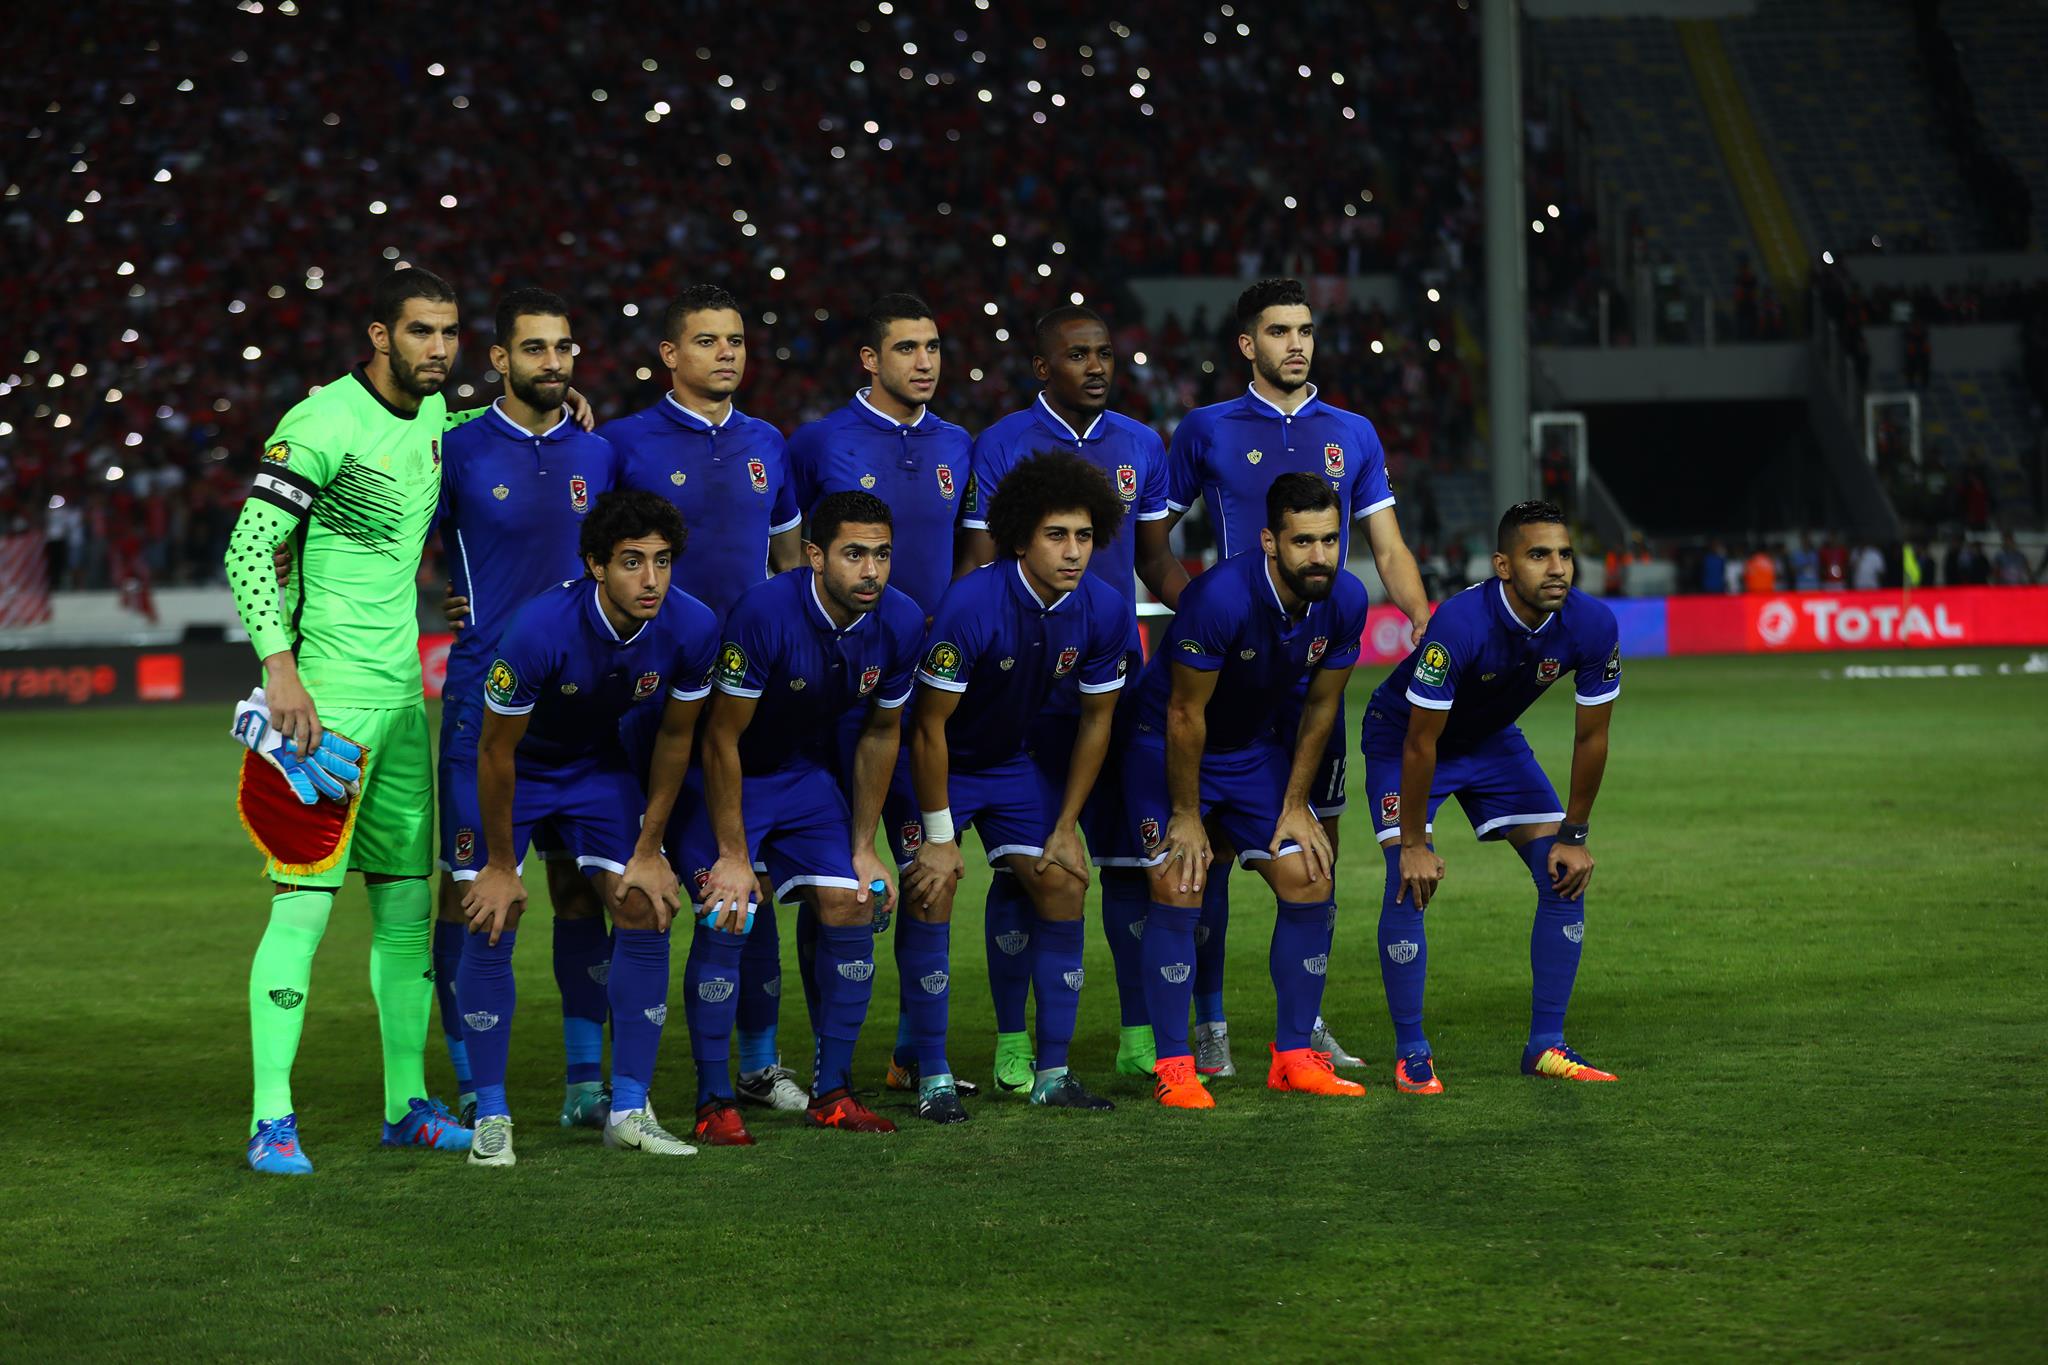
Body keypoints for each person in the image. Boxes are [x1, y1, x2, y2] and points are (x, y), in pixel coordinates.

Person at [226, 266, 475, 1173]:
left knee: (406, 913)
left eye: (449, 331)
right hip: (322, 708)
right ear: (379, 335)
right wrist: (280, 672)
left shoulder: (436, 414)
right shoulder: (322, 421)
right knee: (302, 911)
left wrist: (557, 415)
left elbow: (466, 440)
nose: (438, 348)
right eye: (419, 331)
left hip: (405, 706)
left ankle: (405, 1104)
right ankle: (270, 1117)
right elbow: (249, 546)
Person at [1162, 277, 1430, 1076]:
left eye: (1306, 330)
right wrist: (1201, 614)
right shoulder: (1207, 428)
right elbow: (1150, 537)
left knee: (1317, 849)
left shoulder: (1353, 432)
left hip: (1312, 679)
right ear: (1248, 344)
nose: (1297, 344)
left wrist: (1423, 617)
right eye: (1279, 331)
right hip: (1232, 682)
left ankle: (1304, 1022)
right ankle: (1209, 1021)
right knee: (1206, 855)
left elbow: (1387, 544)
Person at [954, 305, 1188, 1092]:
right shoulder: (1002, 443)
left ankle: (1137, 1035)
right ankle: (1013, 1043)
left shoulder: (1142, 443)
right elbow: (981, 565)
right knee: (1027, 870)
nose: (1096, 366)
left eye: (1105, 353)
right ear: (1042, 367)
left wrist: (1207, 610)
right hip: (1022, 702)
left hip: (1112, 687)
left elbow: (1155, 562)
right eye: (1078, 354)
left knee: (1128, 866)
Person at [458, 491, 719, 1164]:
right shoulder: (540, 628)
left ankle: (626, 1109)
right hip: (509, 764)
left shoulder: (692, 626)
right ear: (596, 565)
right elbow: (495, 751)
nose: (651, 579)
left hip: (594, 765)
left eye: (662, 561)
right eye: (632, 562)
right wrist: (499, 865)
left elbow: (675, 739)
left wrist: (650, 848)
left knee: (646, 904)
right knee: (492, 912)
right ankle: (490, 1115)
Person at [608, 284, 809, 1113]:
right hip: (648, 698)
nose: (726, 352)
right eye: (706, 340)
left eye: (735, 340)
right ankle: (602, 1077)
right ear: (669, 354)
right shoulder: (622, 442)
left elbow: (791, 559)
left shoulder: (769, 442)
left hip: (746, 698)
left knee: (746, 875)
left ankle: (756, 1064)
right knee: (627, 887)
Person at [430, 286, 623, 1130]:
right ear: (499, 359)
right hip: (483, 705)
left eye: (564, 347)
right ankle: (474, 1083)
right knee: (473, 895)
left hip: (581, 716)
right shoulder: (455, 449)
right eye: (536, 347)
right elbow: (399, 544)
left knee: (580, 890)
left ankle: (585, 1084)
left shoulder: (600, 455)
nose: (554, 361)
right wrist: (455, 597)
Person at [674, 490, 923, 1142]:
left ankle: (833, 1092)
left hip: (800, 776)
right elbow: (720, 737)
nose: (871, 570)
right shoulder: (765, 613)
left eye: (882, 554)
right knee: (728, 908)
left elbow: (881, 733)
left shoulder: (900, 620)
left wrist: (864, 846)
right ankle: (713, 1101)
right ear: (814, 555)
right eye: (853, 554)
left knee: (853, 900)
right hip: (725, 773)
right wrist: (734, 855)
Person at [895, 452, 1133, 1121]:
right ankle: (932, 1076)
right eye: (1057, 535)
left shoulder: (1104, 609)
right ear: (1022, 538)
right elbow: (927, 728)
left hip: (1009, 764)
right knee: (933, 886)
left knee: (1064, 879)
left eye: (1084, 536)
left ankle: (1053, 1073)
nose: (1074, 551)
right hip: (937, 762)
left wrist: (1066, 825)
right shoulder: (971, 602)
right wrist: (939, 836)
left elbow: (1097, 721)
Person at [1126, 473, 1372, 1109]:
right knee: (1180, 881)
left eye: (1330, 540)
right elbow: (1184, 714)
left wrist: (1295, 804)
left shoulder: (1346, 598)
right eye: (1302, 542)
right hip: (1165, 745)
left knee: (1311, 874)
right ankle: (1175, 1066)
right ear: (1269, 541)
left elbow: (1321, 707)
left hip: (1251, 752)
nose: (1319, 556)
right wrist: (1186, 814)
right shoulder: (1219, 599)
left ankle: (1293, 1057)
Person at [1365, 500, 1621, 1094]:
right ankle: (1411, 1053)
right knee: (1408, 879)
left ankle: (1546, 1046)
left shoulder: (1592, 624)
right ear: (1504, 566)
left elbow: (1593, 736)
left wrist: (1575, 835)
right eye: (1539, 555)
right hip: (1405, 738)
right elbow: (1420, 742)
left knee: (1564, 873)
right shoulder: (1460, 624)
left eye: (1565, 554)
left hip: (1490, 740)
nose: (1557, 568)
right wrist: (1414, 843)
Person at [786, 293, 973, 614]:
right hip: (843, 634)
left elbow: (965, 547)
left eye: (932, 347)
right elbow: (782, 541)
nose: (925, 363)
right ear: (870, 359)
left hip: (931, 635)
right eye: (906, 348)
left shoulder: (957, 443)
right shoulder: (819, 440)